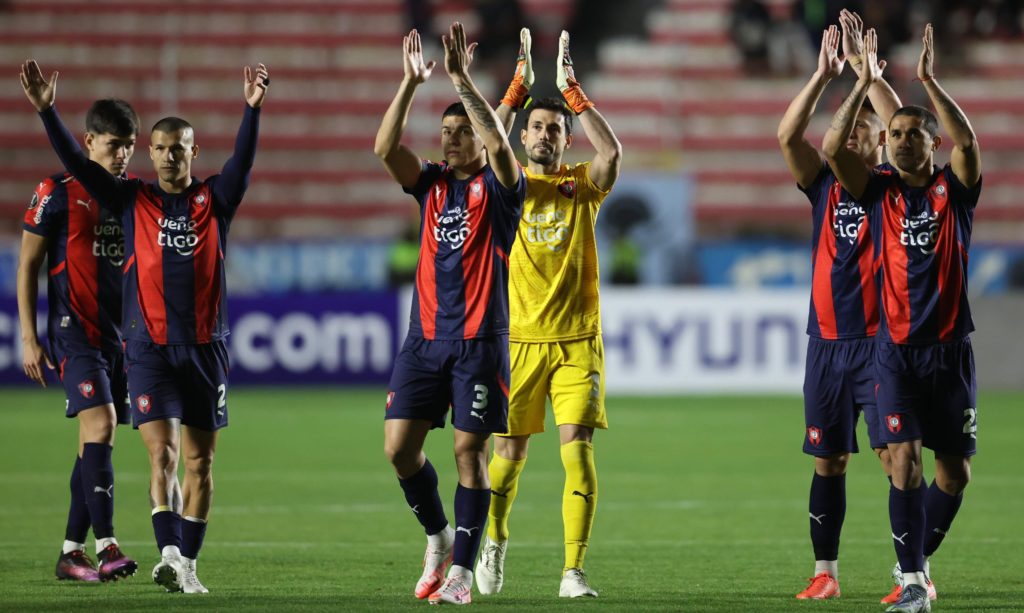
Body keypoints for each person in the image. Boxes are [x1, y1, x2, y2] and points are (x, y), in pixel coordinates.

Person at [21, 58, 269, 594]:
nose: (169, 155)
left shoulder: (214, 200)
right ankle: (168, 554)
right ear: (150, 154)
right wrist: (47, 112)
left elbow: (244, 163)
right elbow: (78, 164)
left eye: (179, 147)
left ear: (193, 152)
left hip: (206, 349)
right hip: (148, 349)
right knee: (163, 454)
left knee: (200, 463)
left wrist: (252, 110)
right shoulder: (132, 200)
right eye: (160, 147)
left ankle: (188, 566)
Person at [823, 24, 980, 613]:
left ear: (932, 144)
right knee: (905, 463)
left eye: (915, 134)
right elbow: (833, 150)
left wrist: (928, 82)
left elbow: (967, 142)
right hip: (893, 353)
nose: (902, 141)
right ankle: (913, 581)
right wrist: (863, 81)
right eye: (894, 134)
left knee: (954, 475)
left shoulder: (954, 189)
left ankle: (915, 560)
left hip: (950, 351)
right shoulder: (876, 189)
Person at [373, 24, 525, 606]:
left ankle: (461, 573)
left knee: (469, 453)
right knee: (398, 449)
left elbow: (503, 150)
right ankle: (438, 536)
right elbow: (385, 149)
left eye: (463, 132)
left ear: (481, 139)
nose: (453, 140)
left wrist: (462, 81)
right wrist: (410, 84)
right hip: (424, 340)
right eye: (446, 133)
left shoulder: (502, 188)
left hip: (479, 342)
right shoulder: (431, 185)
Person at [474, 28, 621, 599]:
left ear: (565, 138)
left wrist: (571, 91)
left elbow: (612, 154)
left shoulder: (582, 185)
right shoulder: (507, 187)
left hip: (578, 342)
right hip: (518, 341)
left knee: (577, 452)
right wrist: (515, 88)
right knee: (508, 457)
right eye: (536, 127)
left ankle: (572, 571)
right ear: (524, 135)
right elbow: (488, 143)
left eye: (554, 129)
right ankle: (494, 538)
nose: (544, 135)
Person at [776, 12, 905, 601]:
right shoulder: (822, 185)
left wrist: (868, 76)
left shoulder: (895, 185)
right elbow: (788, 136)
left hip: (881, 345)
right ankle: (825, 573)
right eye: (842, 127)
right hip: (826, 345)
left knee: (896, 458)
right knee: (828, 462)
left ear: (881, 139)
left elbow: (901, 122)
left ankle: (911, 570)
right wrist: (824, 76)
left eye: (860, 128)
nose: (848, 133)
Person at [18, 98, 140, 584]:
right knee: (103, 424)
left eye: (130, 146)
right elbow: (28, 264)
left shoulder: (130, 196)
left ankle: (71, 553)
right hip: (74, 333)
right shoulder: (57, 191)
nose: (123, 155)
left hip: (119, 339)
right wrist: (28, 337)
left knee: (93, 441)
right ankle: (108, 546)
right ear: (88, 141)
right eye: (114, 145)